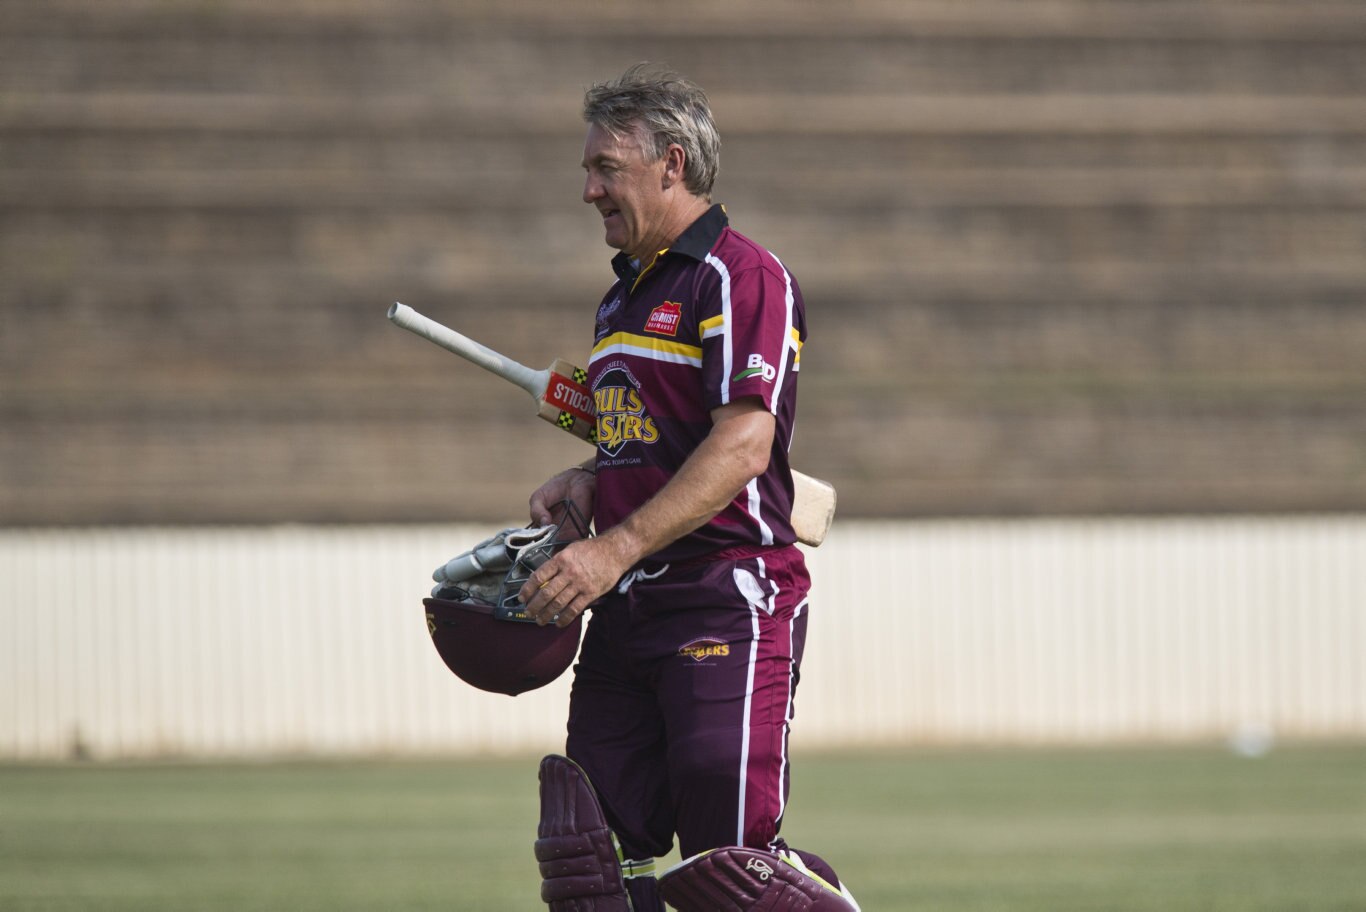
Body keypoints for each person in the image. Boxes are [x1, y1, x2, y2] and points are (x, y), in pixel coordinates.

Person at [518, 63, 858, 911]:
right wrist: (594, 482)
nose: (588, 188)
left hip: (724, 595)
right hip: (628, 607)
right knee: (586, 858)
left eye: (606, 168)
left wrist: (616, 546)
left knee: (730, 872)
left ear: (671, 164)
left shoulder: (740, 277)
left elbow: (744, 444)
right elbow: (652, 444)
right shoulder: (618, 304)